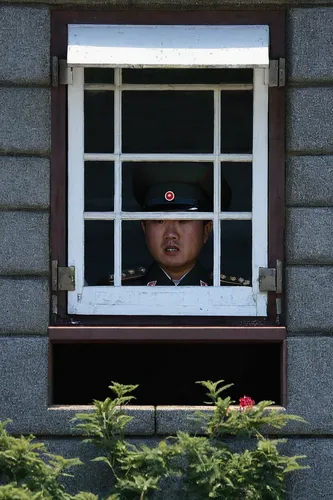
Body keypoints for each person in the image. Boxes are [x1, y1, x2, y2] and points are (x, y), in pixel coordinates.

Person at [103, 163, 250, 287]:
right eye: (159, 221)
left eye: (184, 220)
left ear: (206, 230)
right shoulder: (117, 289)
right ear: (144, 228)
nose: (171, 234)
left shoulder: (231, 292)